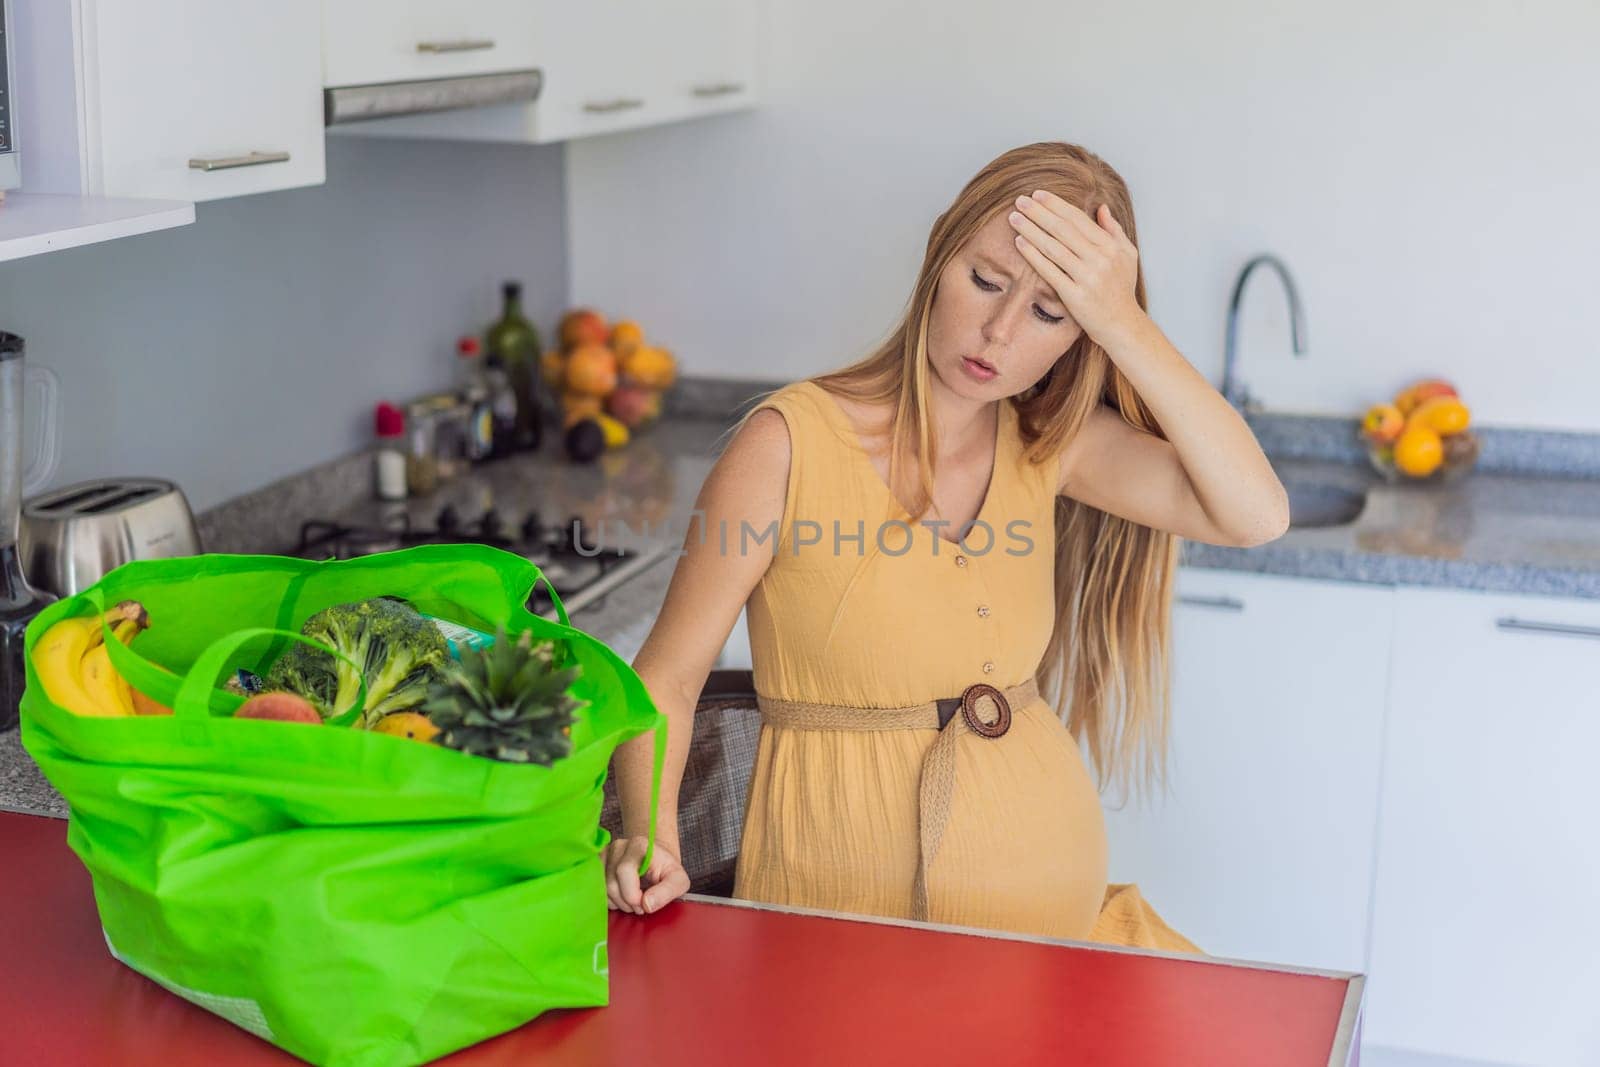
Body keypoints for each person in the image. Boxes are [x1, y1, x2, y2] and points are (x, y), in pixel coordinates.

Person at [602, 141, 1290, 952]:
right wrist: (650, 840)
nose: (998, 332)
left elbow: (1256, 514)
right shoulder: (787, 444)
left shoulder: (1047, 447)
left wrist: (1123, 320)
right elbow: (668, 676)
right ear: (939, 253)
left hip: (1058, 937)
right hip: (837, 944)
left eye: (1049, 313)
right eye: (986, 281)